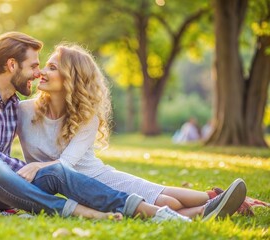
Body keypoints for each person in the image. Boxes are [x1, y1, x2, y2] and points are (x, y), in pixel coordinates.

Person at [0, 32, 193, 222]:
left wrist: (46, 169)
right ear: (12, 65)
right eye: (34, 66)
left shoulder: (11, 105)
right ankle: (77, 211)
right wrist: (33, 168)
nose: (38, 73)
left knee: (57, 172)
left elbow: (12, 168)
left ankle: (150, 212)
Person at [16, 43, 247, 220]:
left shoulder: (86, 116)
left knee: (169, 201)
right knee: (169, 202)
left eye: (52, 67)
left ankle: (224, 200)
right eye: (45, 65)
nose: (41, 72)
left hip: (97, 176)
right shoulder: (23, 112)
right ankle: (215, 206)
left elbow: (66, 163)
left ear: (72, 78)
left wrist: (37, 165)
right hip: (75, 187)